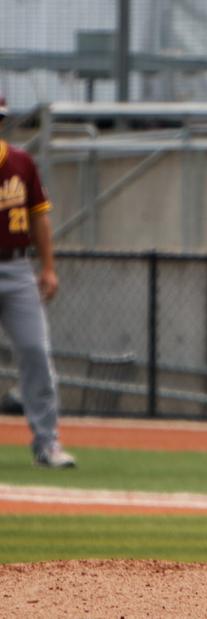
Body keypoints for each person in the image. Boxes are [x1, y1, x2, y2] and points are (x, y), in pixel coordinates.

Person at [0, 97, 75, 468]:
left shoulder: (20, 162)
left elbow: (39, 220)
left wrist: (48, 267)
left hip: (15, 269)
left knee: (35, 352)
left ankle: (47, 444)